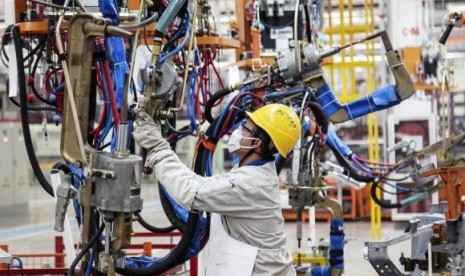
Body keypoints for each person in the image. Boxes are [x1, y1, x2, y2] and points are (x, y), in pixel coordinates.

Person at [132, 103, 301, 276]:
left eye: (244, 129)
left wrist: (157, 147)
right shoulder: (253, 173)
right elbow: (201, 186)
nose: (238, 132)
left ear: (256, 143)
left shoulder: (250, 183)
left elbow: (191, 191)